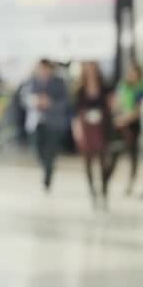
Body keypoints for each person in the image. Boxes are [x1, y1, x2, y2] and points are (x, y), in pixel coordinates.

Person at [20, 59, 70, 192]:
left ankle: (47, 178)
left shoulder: (59, 83)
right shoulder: (32, 82)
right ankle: (46, 168)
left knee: (50, 152)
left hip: (54, 123)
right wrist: (35, 101)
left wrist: (50, 103)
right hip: (36, 122)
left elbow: (65, 102)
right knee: (37, 149)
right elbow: (24, 97)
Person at [72, 62, 113, 209]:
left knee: (104, 162)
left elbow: (110, 105)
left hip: (102, 128)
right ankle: (92, 193)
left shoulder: (105, 87)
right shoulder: (80, 88)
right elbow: (76, 110)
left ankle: (104, 190)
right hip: (86, 128)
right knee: (88, 162)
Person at [111, 62, 143, 195]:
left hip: (132, 124)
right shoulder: (122, 86)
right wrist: (117, 116)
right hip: (119, 122)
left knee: (133, 156)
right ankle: (108, 178)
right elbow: (116, 102)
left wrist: (124, 119)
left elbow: (138, 109)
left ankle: (131, 183)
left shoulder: (140, 88)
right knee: (115, 151)